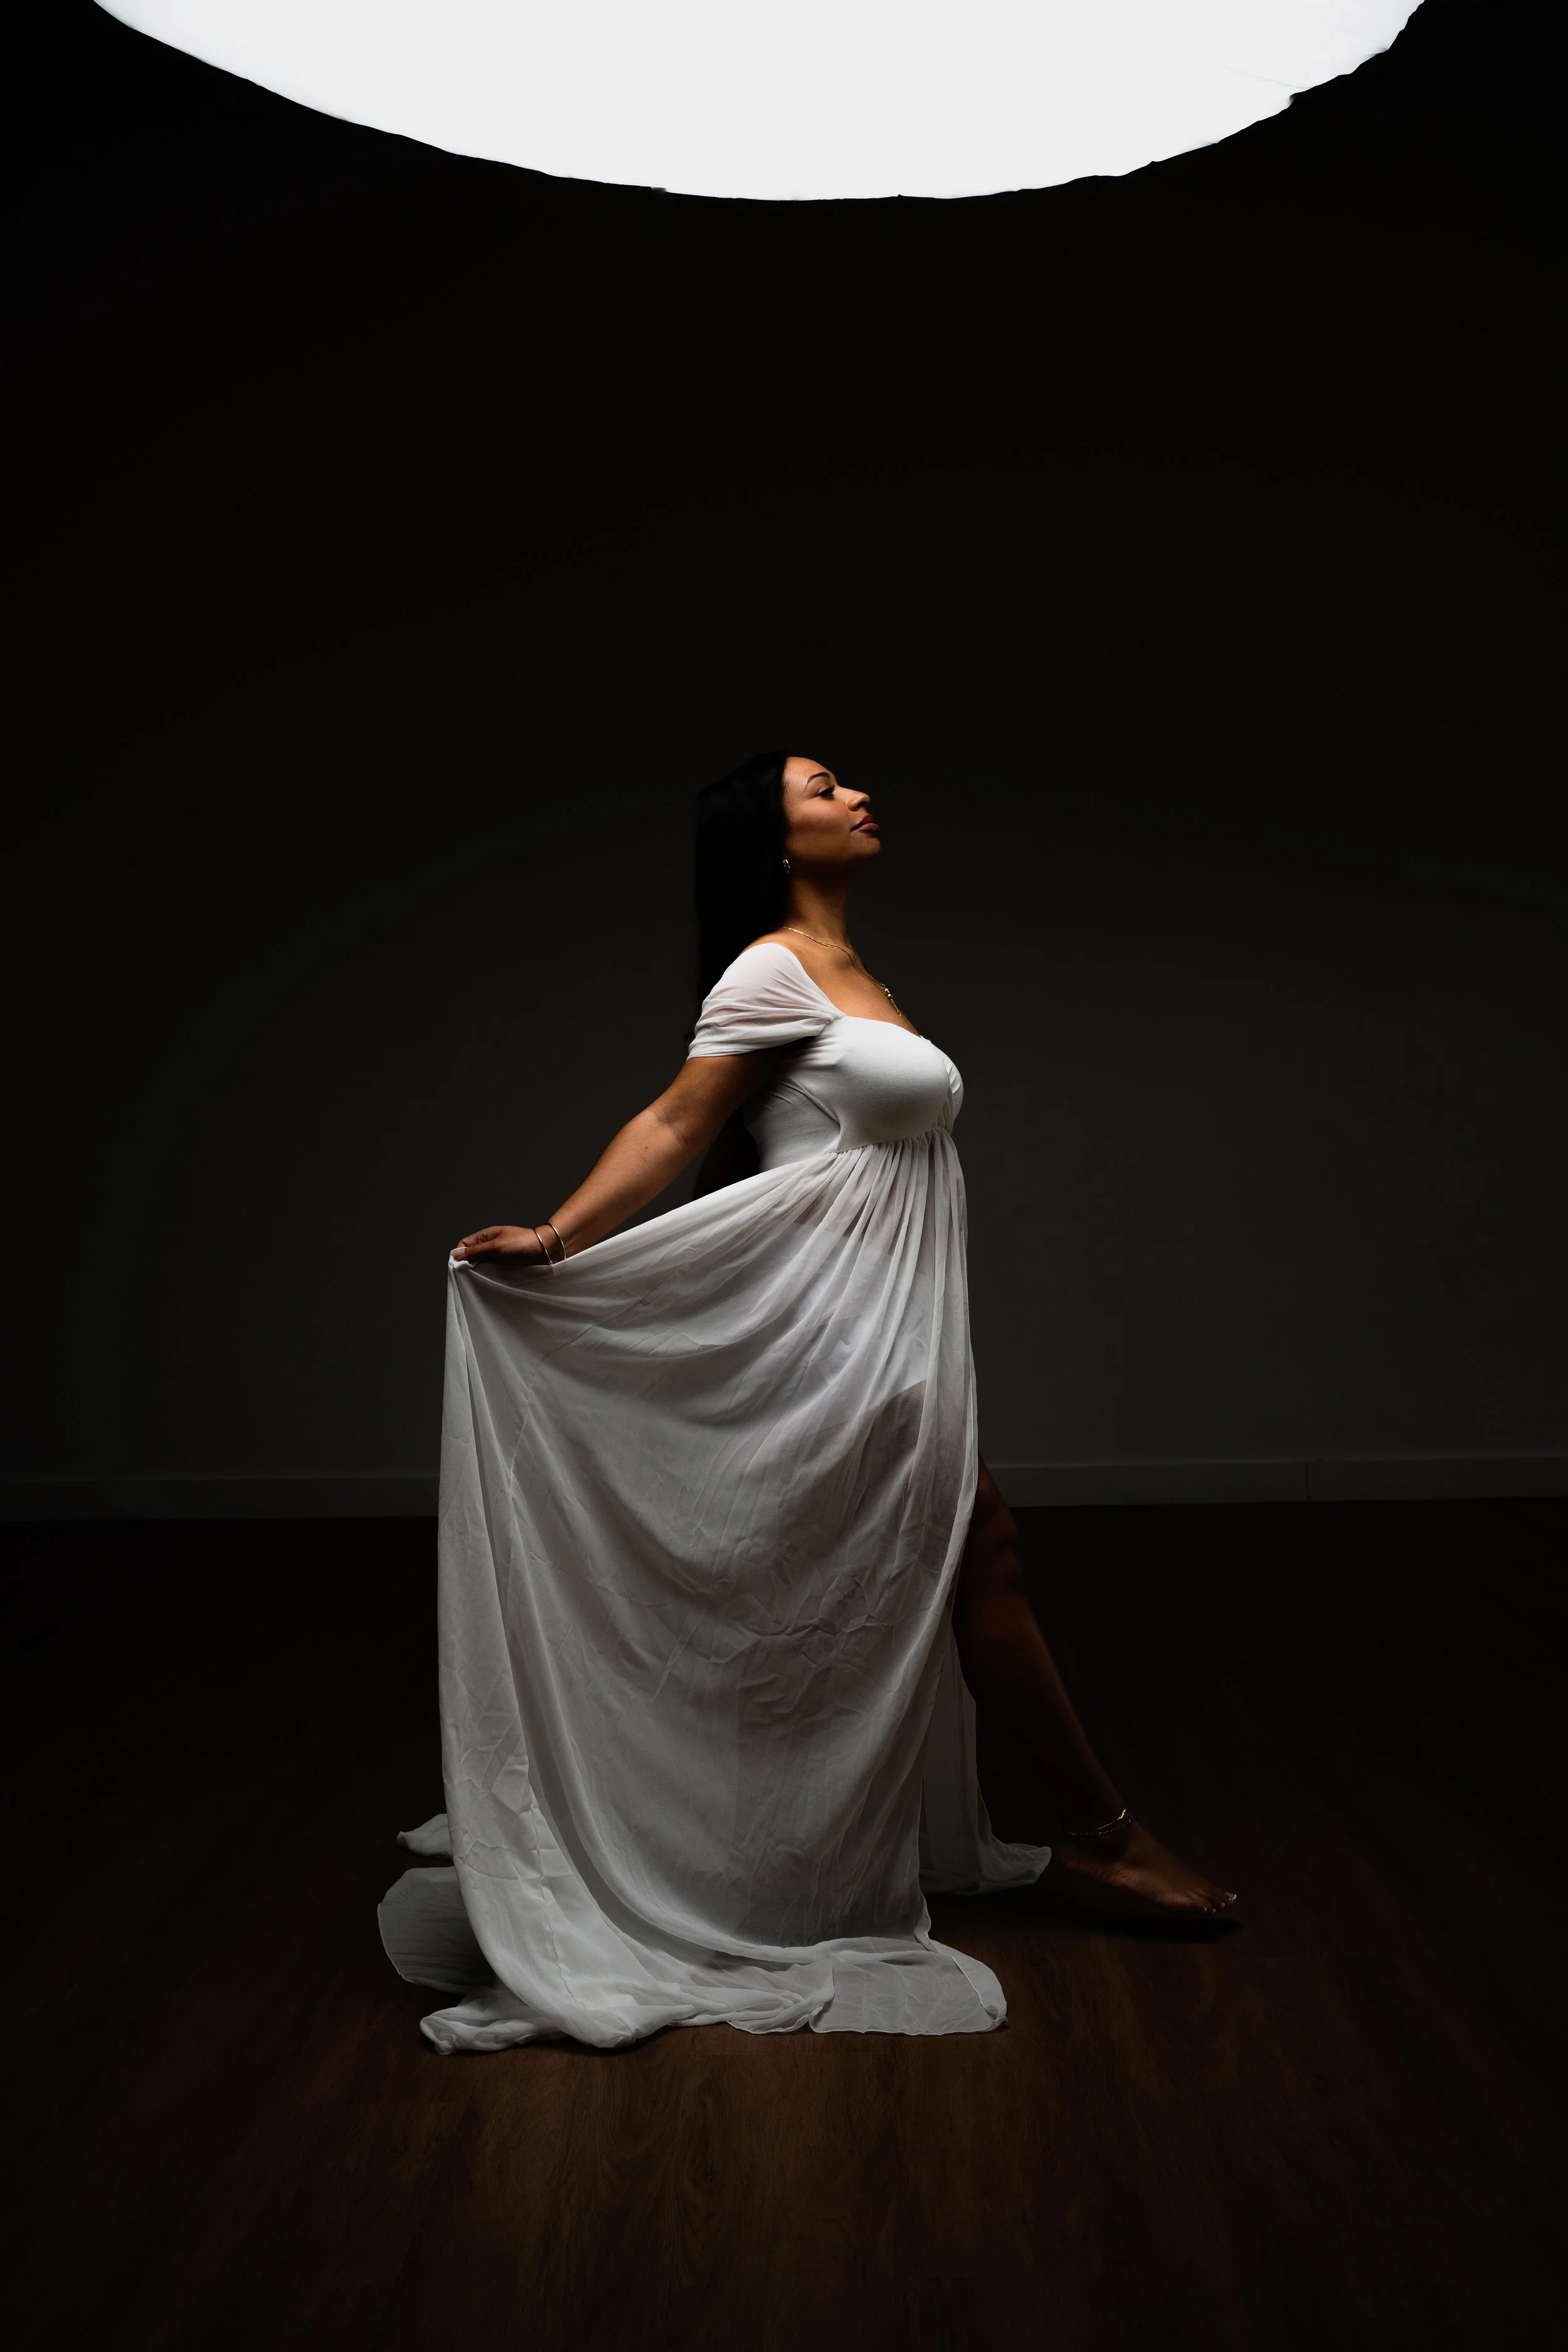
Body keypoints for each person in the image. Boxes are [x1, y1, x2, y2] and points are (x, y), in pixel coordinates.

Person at [379, 752, 1235, 2053]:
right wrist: (555, 1238)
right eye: (822, 788)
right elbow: (679, 1123)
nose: (854, 795)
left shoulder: (853, 974)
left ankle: (777, 1846)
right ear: (774, 842)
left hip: (885, 1321)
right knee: (976, 1545)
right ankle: (1098, 1836)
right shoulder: (769, 969)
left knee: (901, 1565)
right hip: (827, 1332)